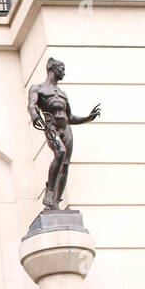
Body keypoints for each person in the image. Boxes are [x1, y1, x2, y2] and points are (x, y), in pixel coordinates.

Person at [27, 57, 100, 210]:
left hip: (65, 127)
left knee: (65, 164)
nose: (64, 73)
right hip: (51, 126)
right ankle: (50, 190)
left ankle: (56, 202)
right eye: (62, 69)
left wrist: (88, 118)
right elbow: (32, 105)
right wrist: (34, 115)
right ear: (52, 68)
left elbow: (70, 117)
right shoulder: (38, 88)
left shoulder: (62, 93)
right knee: (60, 152)